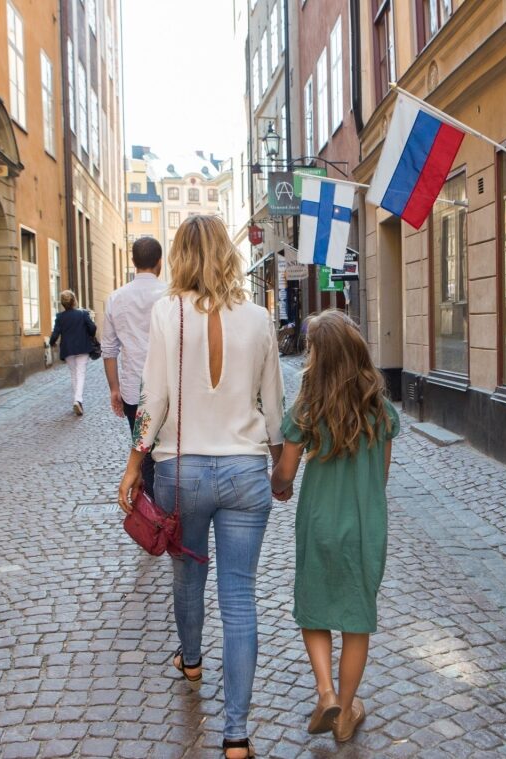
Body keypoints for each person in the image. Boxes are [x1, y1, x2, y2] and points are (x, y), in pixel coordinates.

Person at [117, 214, 285, 759]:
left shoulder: (168, 312)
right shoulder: (259, 318)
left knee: (188, 572)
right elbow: (274, 405)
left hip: (182, 469)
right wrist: (281, 464)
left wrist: (134, 462)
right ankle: (236, 734)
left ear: (181, 258)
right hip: (243, 471)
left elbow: (154, 399)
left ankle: (191, 661)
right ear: (228, 256)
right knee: (239, 597)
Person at [270, 310, 400, 743]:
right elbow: (381, 476)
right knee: (356, 620)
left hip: (321, 522)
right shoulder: (379, 407)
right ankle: (346, 712)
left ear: (317, 357)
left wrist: (279, 486)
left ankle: (325, 692)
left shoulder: (307, 407)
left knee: (315, 609)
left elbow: (286, 472)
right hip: (365, 524)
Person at [102, 237, 167, 496]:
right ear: (160, 262)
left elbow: (109, 350)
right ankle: (170, 509)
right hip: (167, 388)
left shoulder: (116, 298)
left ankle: (154, 507)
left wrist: (114, 389)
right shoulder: (171, 296)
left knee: (144, 451)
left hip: (133, 391)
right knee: (169, 449)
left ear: (133, 262)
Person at [49, 290, 98, 416]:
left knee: (74, 374)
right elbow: (92, 327)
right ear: (74, 300)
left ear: (63, 303)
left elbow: (55, 333)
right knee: (80, 373)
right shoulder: (82, 314)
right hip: (83, 347)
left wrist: (52, 342)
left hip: (68, 349)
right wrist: (90, 335)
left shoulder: (60, 317)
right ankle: (78, 400)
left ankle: (77, 400)